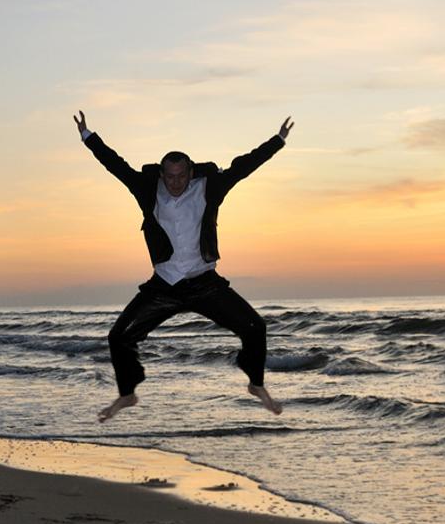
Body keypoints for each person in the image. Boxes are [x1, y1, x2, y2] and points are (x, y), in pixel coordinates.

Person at [74, 111, 293, 422]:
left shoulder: (209, 187)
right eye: (170, 176)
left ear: (190, 172)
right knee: (118, 337)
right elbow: (115, 165)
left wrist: (278, 141)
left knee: (255, 328)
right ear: (162, 174)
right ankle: (128, 392)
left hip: (204, 283)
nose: (175, 182)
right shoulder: (147, 189)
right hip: (164, 285)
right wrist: (88, 136)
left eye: (181, 175)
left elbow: (244, 167)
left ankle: (256, 385)